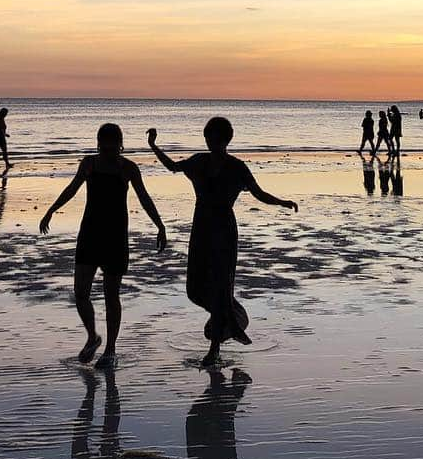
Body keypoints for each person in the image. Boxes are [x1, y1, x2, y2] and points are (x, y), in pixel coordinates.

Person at [147, 117, 297, 369]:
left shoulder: (237, 167)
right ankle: (233, 319)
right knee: (194, 289)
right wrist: (153, 146)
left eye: (216, 137)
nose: (211, 141)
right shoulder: (198, 162)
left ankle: (214, 349)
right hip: (201, 228)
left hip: (224, 230)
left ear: (226, 139)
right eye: (208, 137)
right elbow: (173, 167)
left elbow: (258, 193)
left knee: (220, 286)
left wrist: (281, 202)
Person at [40, 123, 166, 368]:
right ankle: (92, 336)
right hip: (90, 233)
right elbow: (72, 188)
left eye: (113, 144)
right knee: (81, 294)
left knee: (111, 296)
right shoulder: (89, 164)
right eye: (104, 144)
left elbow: (144, 197)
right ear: (98, 143)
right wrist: (51, 210)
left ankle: (110, 349)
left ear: (120, 144)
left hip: (116, 237)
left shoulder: (128, 168)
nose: (109, 149)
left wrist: (160, 225)